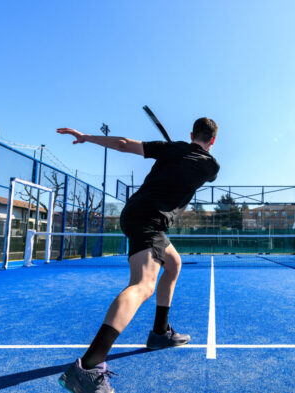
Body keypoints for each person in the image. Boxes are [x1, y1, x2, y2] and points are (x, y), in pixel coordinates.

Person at [55, 117, 220, 393]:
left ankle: (160, 332)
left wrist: (86, 137)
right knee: (142, 285)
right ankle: (89, 367)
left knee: (173, 264)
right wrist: (186, 151)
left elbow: (123, 144)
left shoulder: (170, 149)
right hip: (150, 219)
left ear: (191, 133)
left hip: (138, 213)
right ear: (213, 141)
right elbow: (205, 168)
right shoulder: (211, 165)